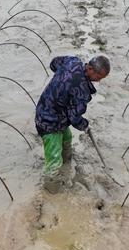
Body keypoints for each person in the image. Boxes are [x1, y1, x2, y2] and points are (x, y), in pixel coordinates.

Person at [35, 55, 110, 193]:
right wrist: (85, 125)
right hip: (49, 123)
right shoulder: (82, 90)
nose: (99, 80)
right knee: (54, 160)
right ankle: (52, 190)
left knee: (67, 139)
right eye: (99, 76)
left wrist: (62, 81)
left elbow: (53, 64)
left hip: (47, 108)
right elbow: (74, 117)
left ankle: (67, 163)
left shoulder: (73, 61)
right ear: (89, 68)